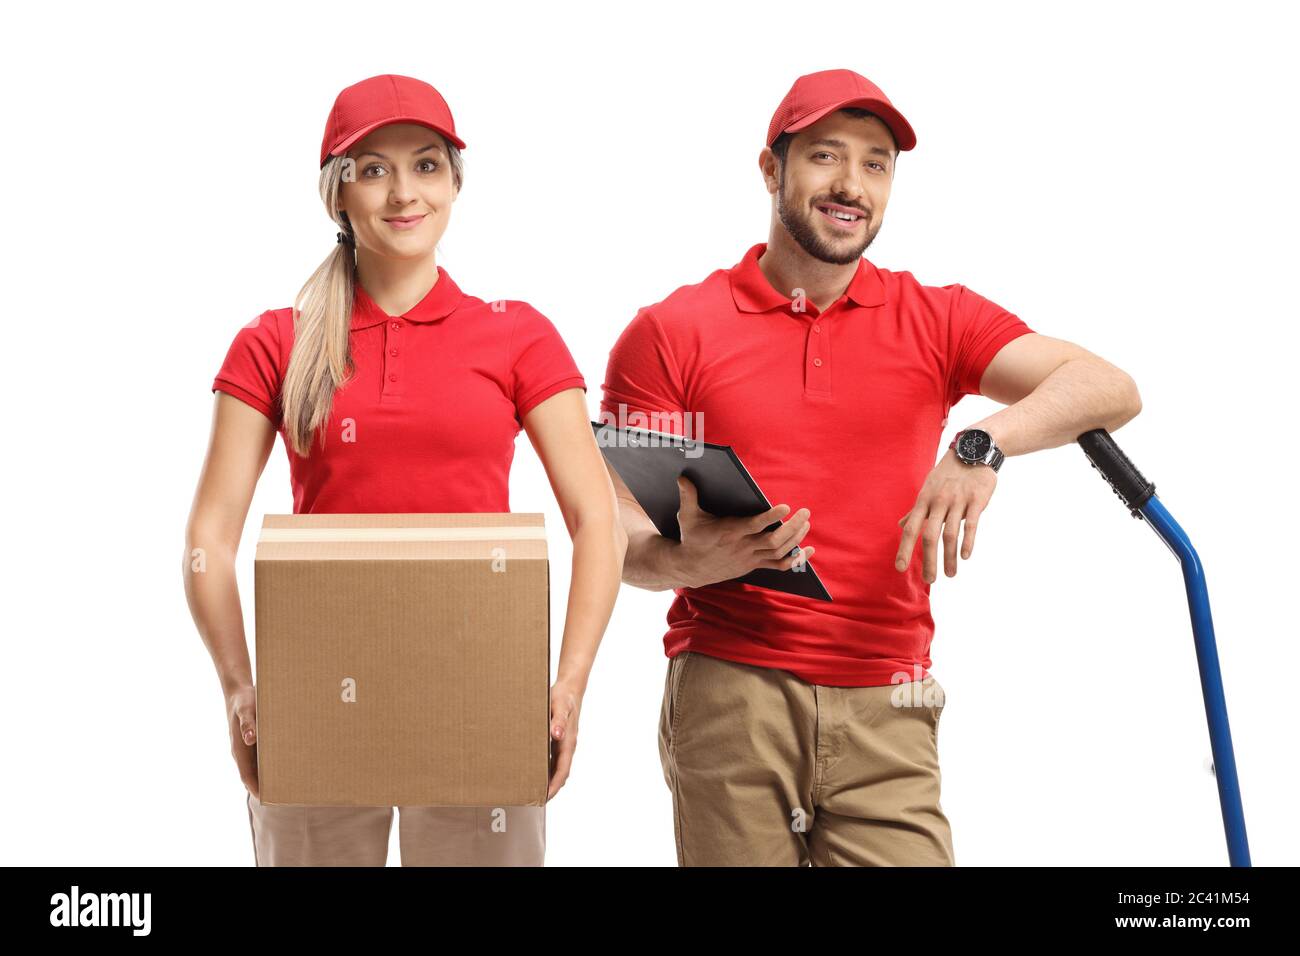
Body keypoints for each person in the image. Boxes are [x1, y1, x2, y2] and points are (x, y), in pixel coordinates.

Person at [600, 68, 1143, 866]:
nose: (850, 184)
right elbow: (616, 533)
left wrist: (979, 444)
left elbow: (1110, 387)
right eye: (825, 156)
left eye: (877, 162)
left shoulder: (938, 317)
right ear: (770, 170)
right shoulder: (671, 332)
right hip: (733, 690)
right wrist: (688, 559)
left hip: (893, 694)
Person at [183, 74, 626, 866]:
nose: (402, 192)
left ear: (455, 182)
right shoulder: (274, 342)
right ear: (337, 195)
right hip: (317, 689)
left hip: (479, 682)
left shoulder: (516, 335)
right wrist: (241, 689)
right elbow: (209, 538)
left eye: (425, 165)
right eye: (373, 169)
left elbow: (598, 523)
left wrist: (568, 684)